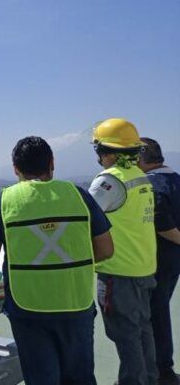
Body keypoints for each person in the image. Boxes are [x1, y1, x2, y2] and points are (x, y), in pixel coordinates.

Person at [0, 136, 113, 385]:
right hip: (76, 302)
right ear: (52, 163)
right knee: (81, 377)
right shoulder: (79, 195)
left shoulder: (2, 201)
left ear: (15, 169)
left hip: (28, 307)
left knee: (41, 378)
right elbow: (106, 249)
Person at [88, 118, 158, 385]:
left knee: (126, 335)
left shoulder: (109, 181)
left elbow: (86, 219)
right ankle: (148, 378)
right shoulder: (139, 177)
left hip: (118, 271)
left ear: (104, 151)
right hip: (143, 267)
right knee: (142, 330)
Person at [139, 137, 180, 385]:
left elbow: (163, 224)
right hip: (173, 260)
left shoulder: (151, 186)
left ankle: (161, 369)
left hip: (158, 260)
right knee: (160, 309)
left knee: (155, 314)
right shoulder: (176, 179)